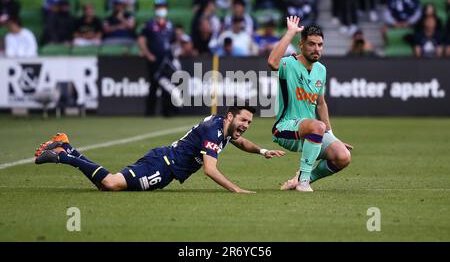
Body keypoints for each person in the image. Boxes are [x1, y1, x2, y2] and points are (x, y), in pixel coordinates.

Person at [34, 106, 286, 193]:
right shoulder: (214, 130)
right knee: (110, 184)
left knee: (106, 185)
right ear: (231, 116)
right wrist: (237, 189)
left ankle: (67, 145)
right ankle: (63, 155)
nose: (246, 126)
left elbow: (240, 142)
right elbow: (210, 170)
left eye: (250, 123)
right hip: (162, 164)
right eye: (243, 120)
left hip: (165, 167)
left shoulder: (224, 127)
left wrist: (263, 151)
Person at [267, 16, 353, 192]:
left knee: (343, 157)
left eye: (320, 45)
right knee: (316, 126)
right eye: (311, 44)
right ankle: (303, 182)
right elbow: (272, 62)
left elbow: (320, 104)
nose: (316, 49)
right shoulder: (289, 64)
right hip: (286, 128)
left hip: (313, 130)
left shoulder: (321, 70)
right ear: (301, 45)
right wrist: (290, 32)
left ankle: (301, 178)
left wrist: (331, 135)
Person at [138, 0, 179, 116]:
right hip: (155, 60)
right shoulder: (149, 24)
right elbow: (141, 40)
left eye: (163, 7)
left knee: (167, 86)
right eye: (159, 7)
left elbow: (174, 41)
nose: (161, 10)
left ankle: (166, 112)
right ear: (155, 9)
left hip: (168, 60)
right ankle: (150, 112)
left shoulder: (170, 25)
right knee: (154, 85)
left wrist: (175, 54)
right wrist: (148, 54)